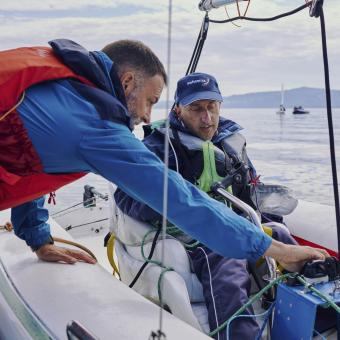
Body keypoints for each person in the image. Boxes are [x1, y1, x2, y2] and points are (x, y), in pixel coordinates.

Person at [0, 40, 327, 270]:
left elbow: (29, 158)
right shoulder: (95, 125)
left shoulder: (60, 79)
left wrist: (37, 237)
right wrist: (277, 251)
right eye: (151, 100)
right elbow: (177, 197)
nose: (146, 117)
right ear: (127, 82)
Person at [113, 73, 307, 339]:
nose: (207, 118)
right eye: (196, 109)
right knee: (227, 260)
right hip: (194, 237)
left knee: (280, 234)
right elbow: (125, 196)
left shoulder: (230, 144)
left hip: (236, 226)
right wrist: (174, 204)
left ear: (220, 106)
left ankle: (310, 323)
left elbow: (249, 193)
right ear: (178, 109)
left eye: (211, 107)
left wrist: (269, 224)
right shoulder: (157, 147)